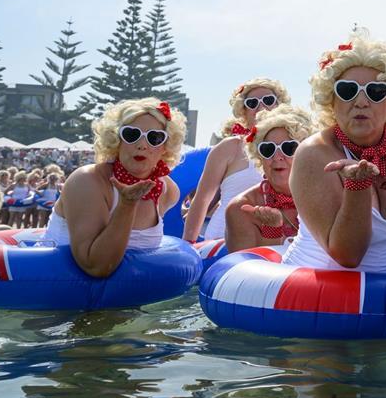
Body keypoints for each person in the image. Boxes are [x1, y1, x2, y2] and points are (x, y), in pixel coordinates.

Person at [284, 36, 386, 275]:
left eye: (375, 91)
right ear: (331, 100)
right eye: (348, 91)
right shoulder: (313, 155)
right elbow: (347, 255)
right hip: (316, 300)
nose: (361, 101)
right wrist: (357, 186)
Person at [46, 99, 185, 277]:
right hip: (56, 292)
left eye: (154, 137)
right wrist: (127, 204)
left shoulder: (167, 191)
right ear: (116, 139)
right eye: (132, 134)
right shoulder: (87, 182)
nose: (142, 144)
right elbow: (96, 267)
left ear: (165, 148)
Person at [183, 78, 291, 243]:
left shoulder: (295, 147)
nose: (261, 107)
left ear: (280, 106)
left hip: (279, 243)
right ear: (243, 111)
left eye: (268, 100)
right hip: (224, 240)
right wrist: (188, 245)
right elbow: (202, 199)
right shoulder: (230, 147)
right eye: (252, 103)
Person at [223, 105, 314, 253]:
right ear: (259, 157)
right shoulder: (242, 208)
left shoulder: (327, 196)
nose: (277, 157)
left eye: (289, 148)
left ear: (307, 153)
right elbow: (246, 270)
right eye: (268, 149)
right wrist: (272, 231)